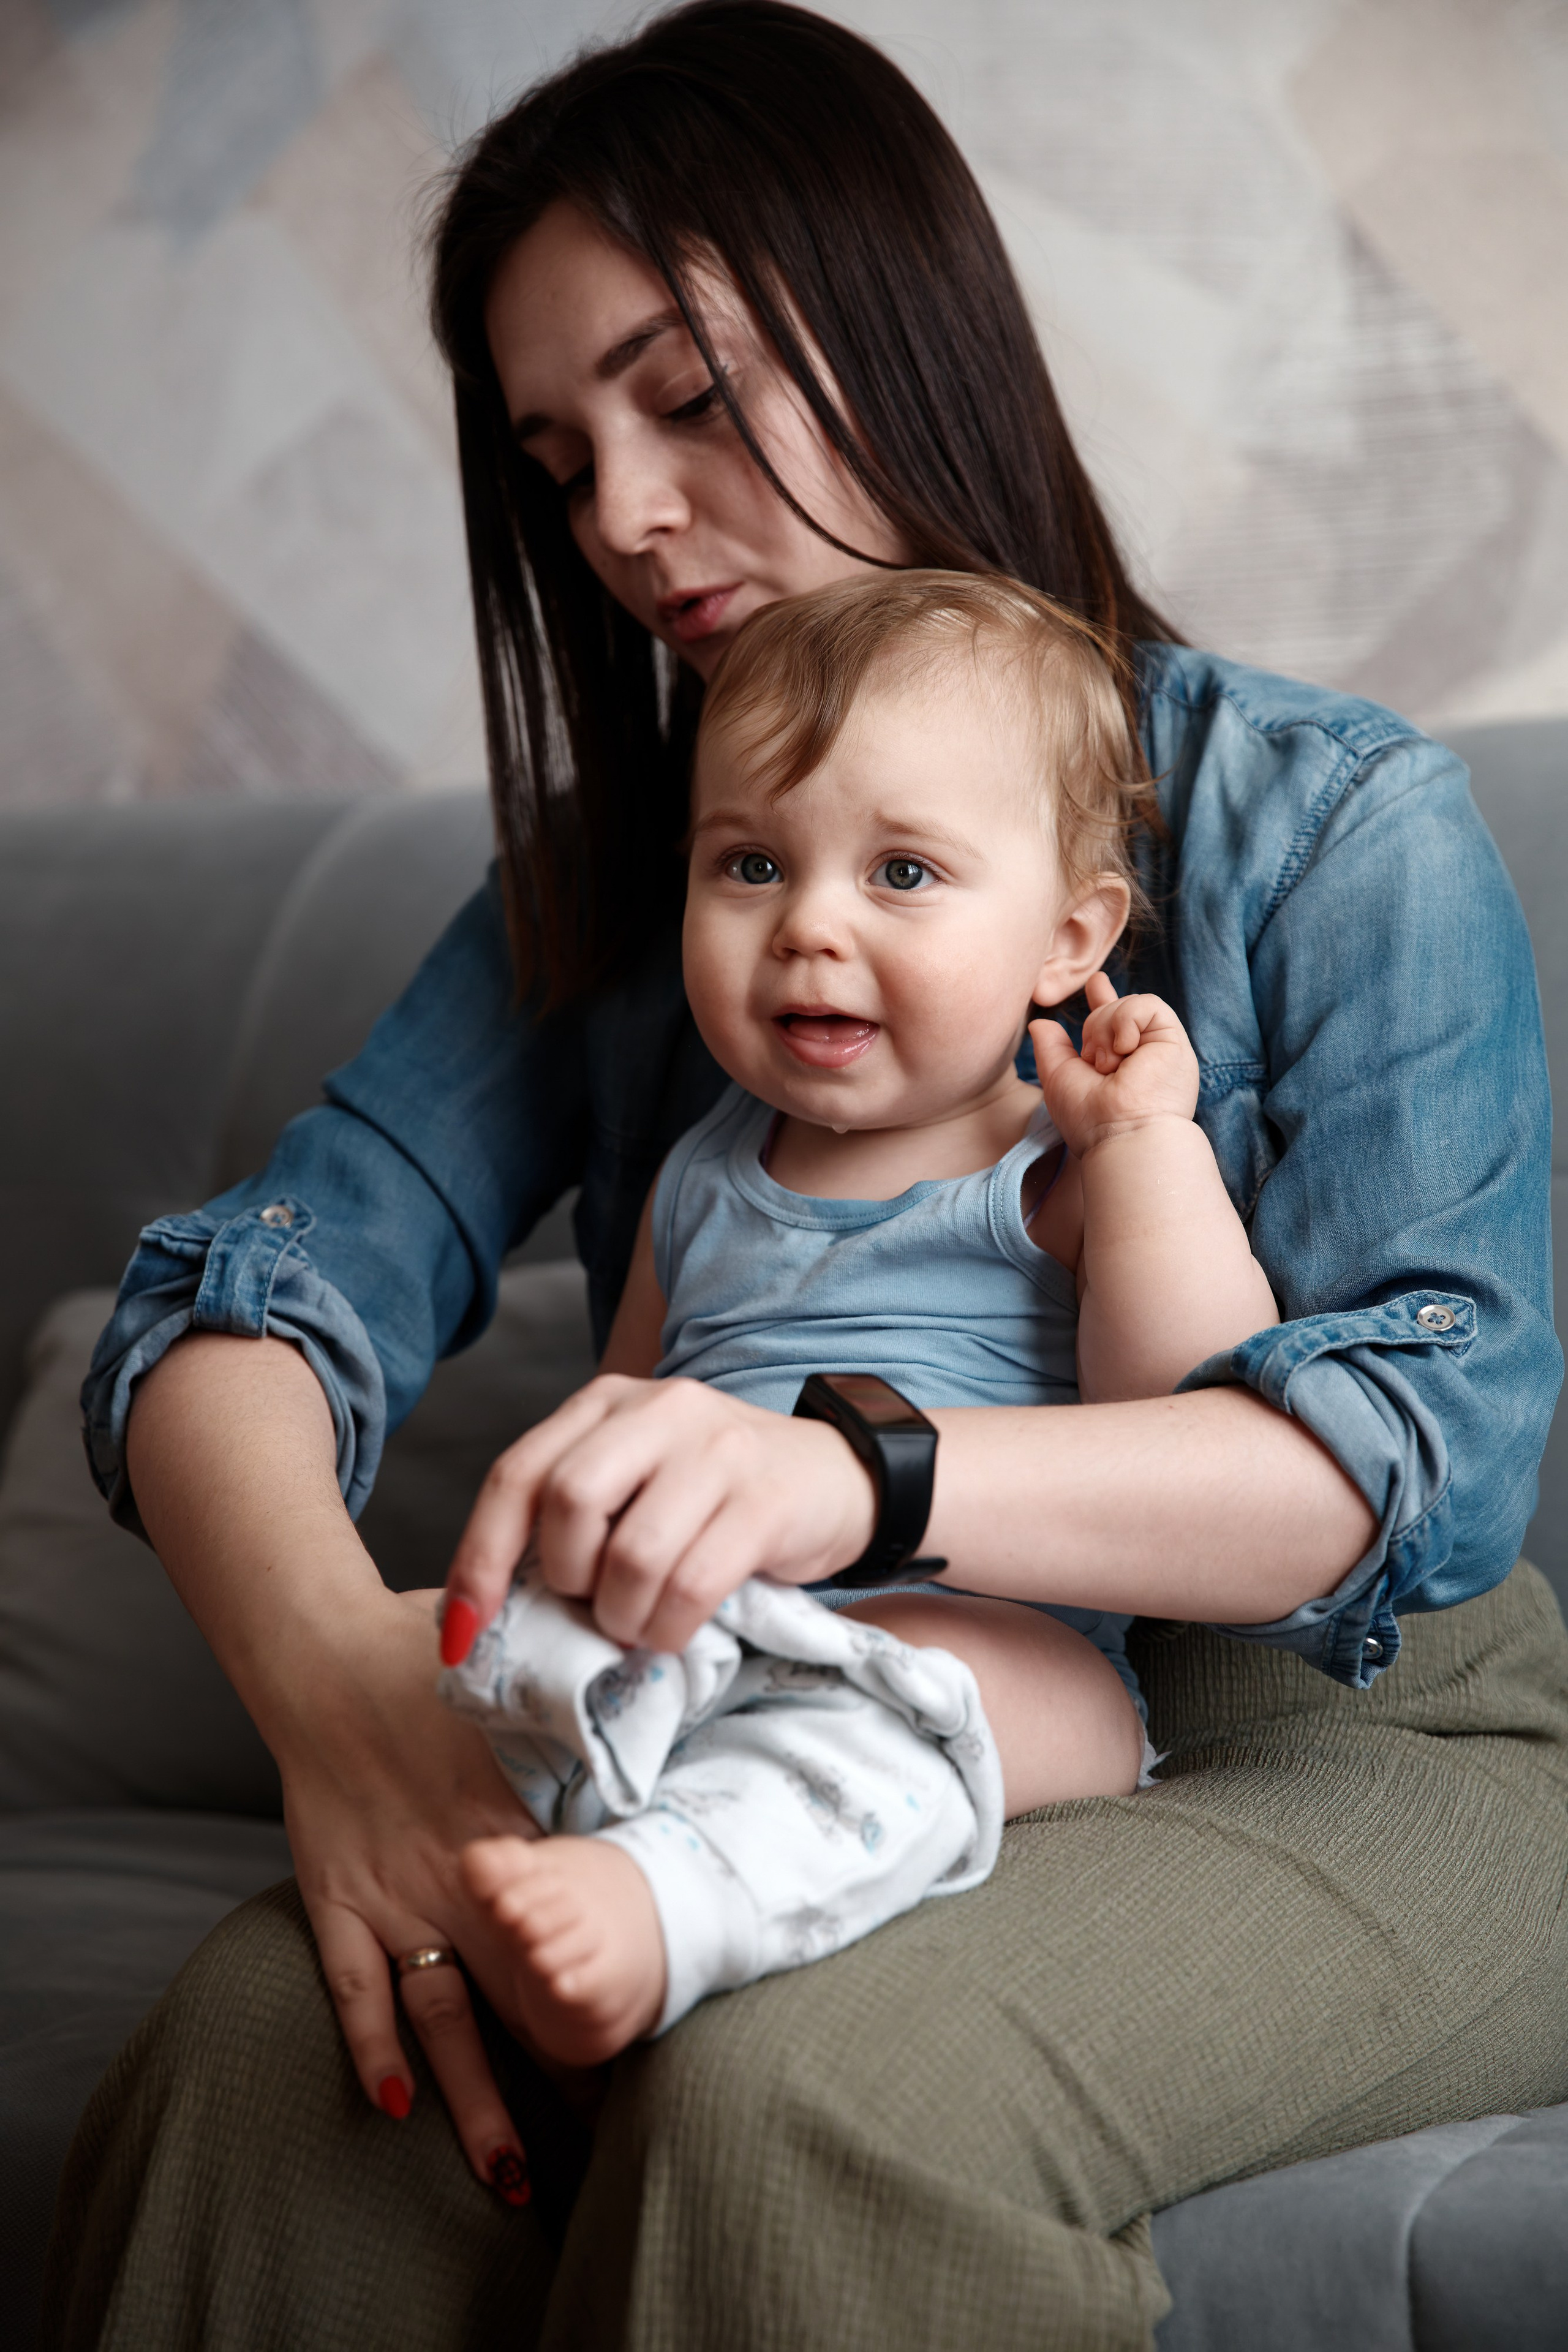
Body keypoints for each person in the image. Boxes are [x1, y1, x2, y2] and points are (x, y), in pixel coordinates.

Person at [47, 4, 1567, 2348]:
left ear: (897, 318)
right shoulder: (650, 894)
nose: (624, 523)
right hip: (786, 1705)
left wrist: (846, 1477)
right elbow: (245, 1295)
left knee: (792, 2095)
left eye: (689, 397)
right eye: (560, 459)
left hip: (1340, 1750)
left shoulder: (1331, 823)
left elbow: (1409, 1479)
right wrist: (344, 1706)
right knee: (285, 2048)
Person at [444, 569, 1279, 2064]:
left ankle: (671, 1899)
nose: (808, 929)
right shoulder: (701, 1174)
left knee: (964, 1712)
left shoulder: (1051, 1170)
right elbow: (623, 1413)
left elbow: (1191, 1404)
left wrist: (1145, 1148)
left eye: (900, 875)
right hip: (701, 1617)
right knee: (494, 1663)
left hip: (959, 1641)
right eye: (750, 865)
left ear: (1066, 942)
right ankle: (583, 1826)